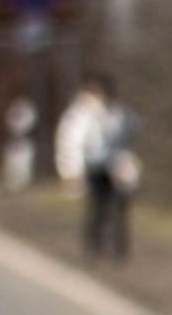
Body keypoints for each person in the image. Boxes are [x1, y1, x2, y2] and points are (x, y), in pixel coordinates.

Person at [54, 81, 138, 262]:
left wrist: (126, 166)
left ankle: (117, 249)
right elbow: (70, 145)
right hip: (92, 167)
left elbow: (127, 134)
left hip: (113, 167)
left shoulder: (116, 112)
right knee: (96, 209)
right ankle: (93, 247)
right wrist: (71, 171)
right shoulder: (79, 115)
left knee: (118, 208)